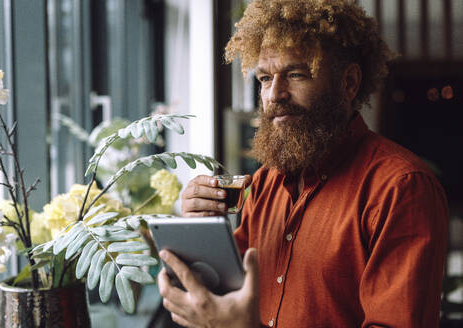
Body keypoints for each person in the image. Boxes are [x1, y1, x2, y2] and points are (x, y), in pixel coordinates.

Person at [157, 1, 449, 327]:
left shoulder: (400, 188)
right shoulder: (265, 182)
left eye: (296, 74)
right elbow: (226, 293)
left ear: (349, 83)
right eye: (265, 78)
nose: (274, 94)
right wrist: (199, 230)